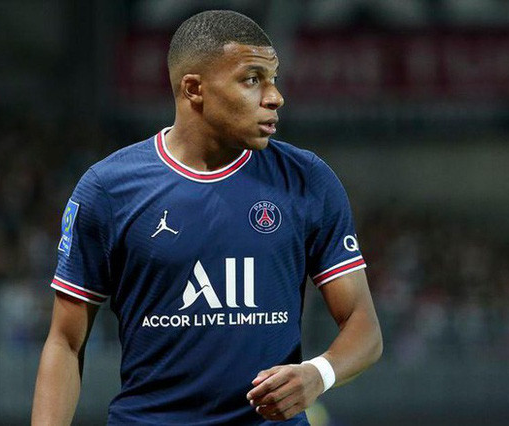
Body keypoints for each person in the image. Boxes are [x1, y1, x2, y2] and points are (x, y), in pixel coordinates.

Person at [32, 10, 382, 425]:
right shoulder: (109, 189)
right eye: (252, 79)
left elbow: (364, 326)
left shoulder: (307, 180)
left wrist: (318, 373)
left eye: (273, 78)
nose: (275, 97)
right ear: (194, 89)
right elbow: (65, 342)